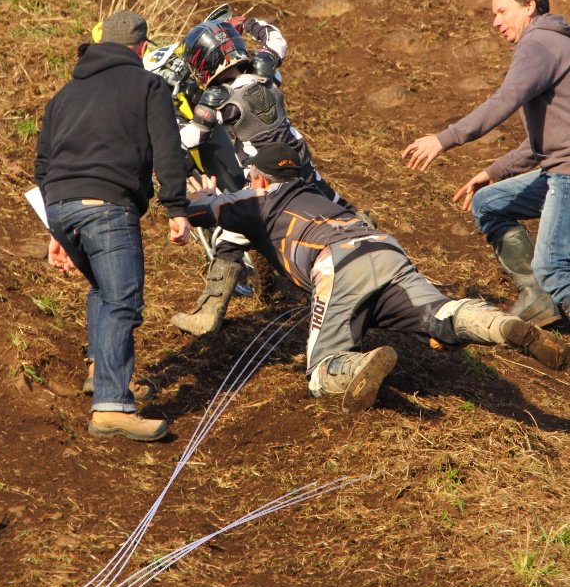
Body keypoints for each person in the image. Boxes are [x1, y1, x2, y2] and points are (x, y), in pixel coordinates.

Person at [183, 142, 567, 414]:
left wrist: (205, 195)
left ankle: (353, 366)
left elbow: (196, 208)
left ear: (261, 179)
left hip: (336, 263)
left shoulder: (256, 198)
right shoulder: (319, 193)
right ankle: (500, 324)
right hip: (383, 248)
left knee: (319, 372)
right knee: (440, 314)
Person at [35, 9, 190, 442]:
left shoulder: (65, 94)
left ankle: (100, 371)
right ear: (141, 48)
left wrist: (55, 228)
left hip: (61, 208)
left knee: (104, 291)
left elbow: (44, 165)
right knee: (123, 302)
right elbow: (168, 149)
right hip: (108, 207)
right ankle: (111, 405)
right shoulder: (148, 84)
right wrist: (176, 208)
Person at [168, 15, 373, 337]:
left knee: (229, 237)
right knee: (345, 214)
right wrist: (249, 22)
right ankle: (375, 268)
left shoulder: (220, 99)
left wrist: (166, 126)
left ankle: (208, 315)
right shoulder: (265, 73)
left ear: (203, 63)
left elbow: (193, 139)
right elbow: (277, 39)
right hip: (304, 169)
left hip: (268, 183)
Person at [402, 0, 570, 328]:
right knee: (488, 202)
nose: (495, 21)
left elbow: (504, 101)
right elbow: (545, 141)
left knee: (553, 270)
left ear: (529, 6)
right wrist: (493, 173)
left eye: (502, 11)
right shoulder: (552, 44)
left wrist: (444, 139)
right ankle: (537, 299)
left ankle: (548, 291)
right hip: (558, 170)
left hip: (567, 175)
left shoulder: (538, 43)